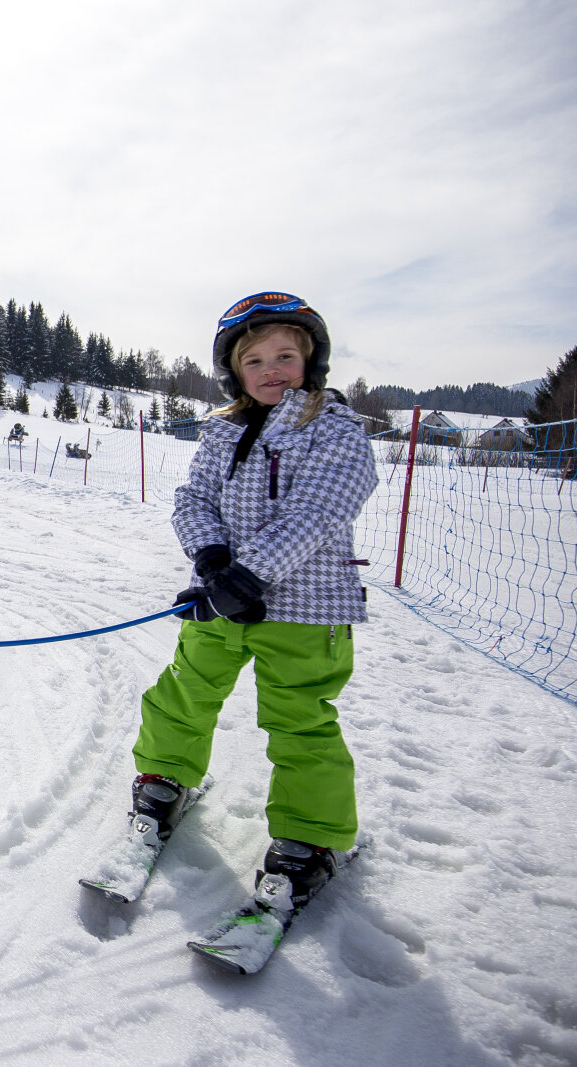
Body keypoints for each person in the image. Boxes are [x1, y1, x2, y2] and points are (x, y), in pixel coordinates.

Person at [125, 291, 377, 914]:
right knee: (184, 692)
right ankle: (164, 780)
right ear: (235, 371)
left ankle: (311, 839)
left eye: (285, 355)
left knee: (299, 721)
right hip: (218, 604)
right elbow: (193, 499)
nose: (271, 369)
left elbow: (317, 512)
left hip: (304, 609)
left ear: (310, 360)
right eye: (255, 359)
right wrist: (212, 559)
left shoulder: (336, 430)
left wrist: (249, 576)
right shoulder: (223, 431)